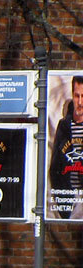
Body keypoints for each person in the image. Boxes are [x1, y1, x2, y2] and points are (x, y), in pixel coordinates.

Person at [48, 75, 83, 219]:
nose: (80, 102)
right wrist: (62, 199)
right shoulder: (64, 126)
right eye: (77, 96)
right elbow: (56, 165)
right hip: (70, 197)